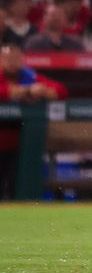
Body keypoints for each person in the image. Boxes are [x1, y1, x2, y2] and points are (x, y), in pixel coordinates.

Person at [0, 44, 67, 199]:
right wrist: (26, 91)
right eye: (7, 58)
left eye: (15, 58)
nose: (11, 62)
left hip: (20, 148)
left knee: (17, 192)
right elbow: (4, 91)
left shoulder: (28, 76)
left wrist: (43, 91)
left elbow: (61, 90)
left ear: (22, 59)